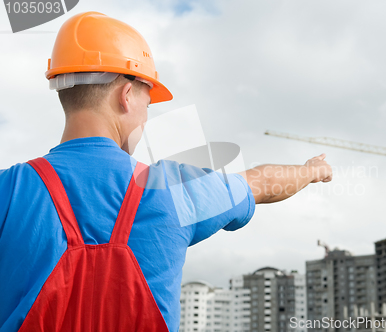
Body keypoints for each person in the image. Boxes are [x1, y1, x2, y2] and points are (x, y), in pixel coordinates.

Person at [0, 11, 332, 332]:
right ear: (126, 96)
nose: (146, 117)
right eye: (148, 102)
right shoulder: (172, 189)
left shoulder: (8, 189)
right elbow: (261, 182)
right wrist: (310, 171)